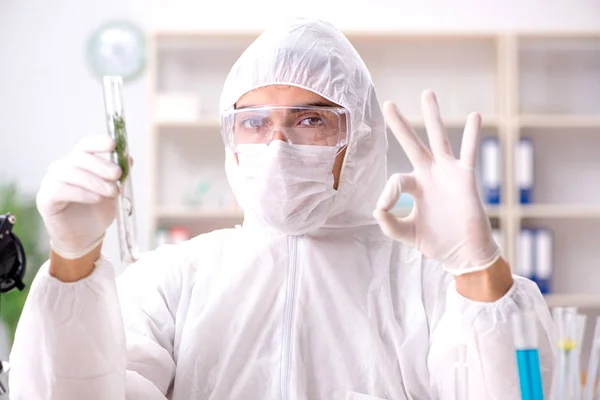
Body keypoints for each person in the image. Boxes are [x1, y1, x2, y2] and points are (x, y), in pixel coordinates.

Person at [9, 17, 555, 400]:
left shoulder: (426, 283)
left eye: (311, 120)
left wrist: (480, 270)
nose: (276, 145)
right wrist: (74, 263)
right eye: (253, 122)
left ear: (360, 137)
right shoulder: (175, 279)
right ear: (231, 139)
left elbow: (524, 394)